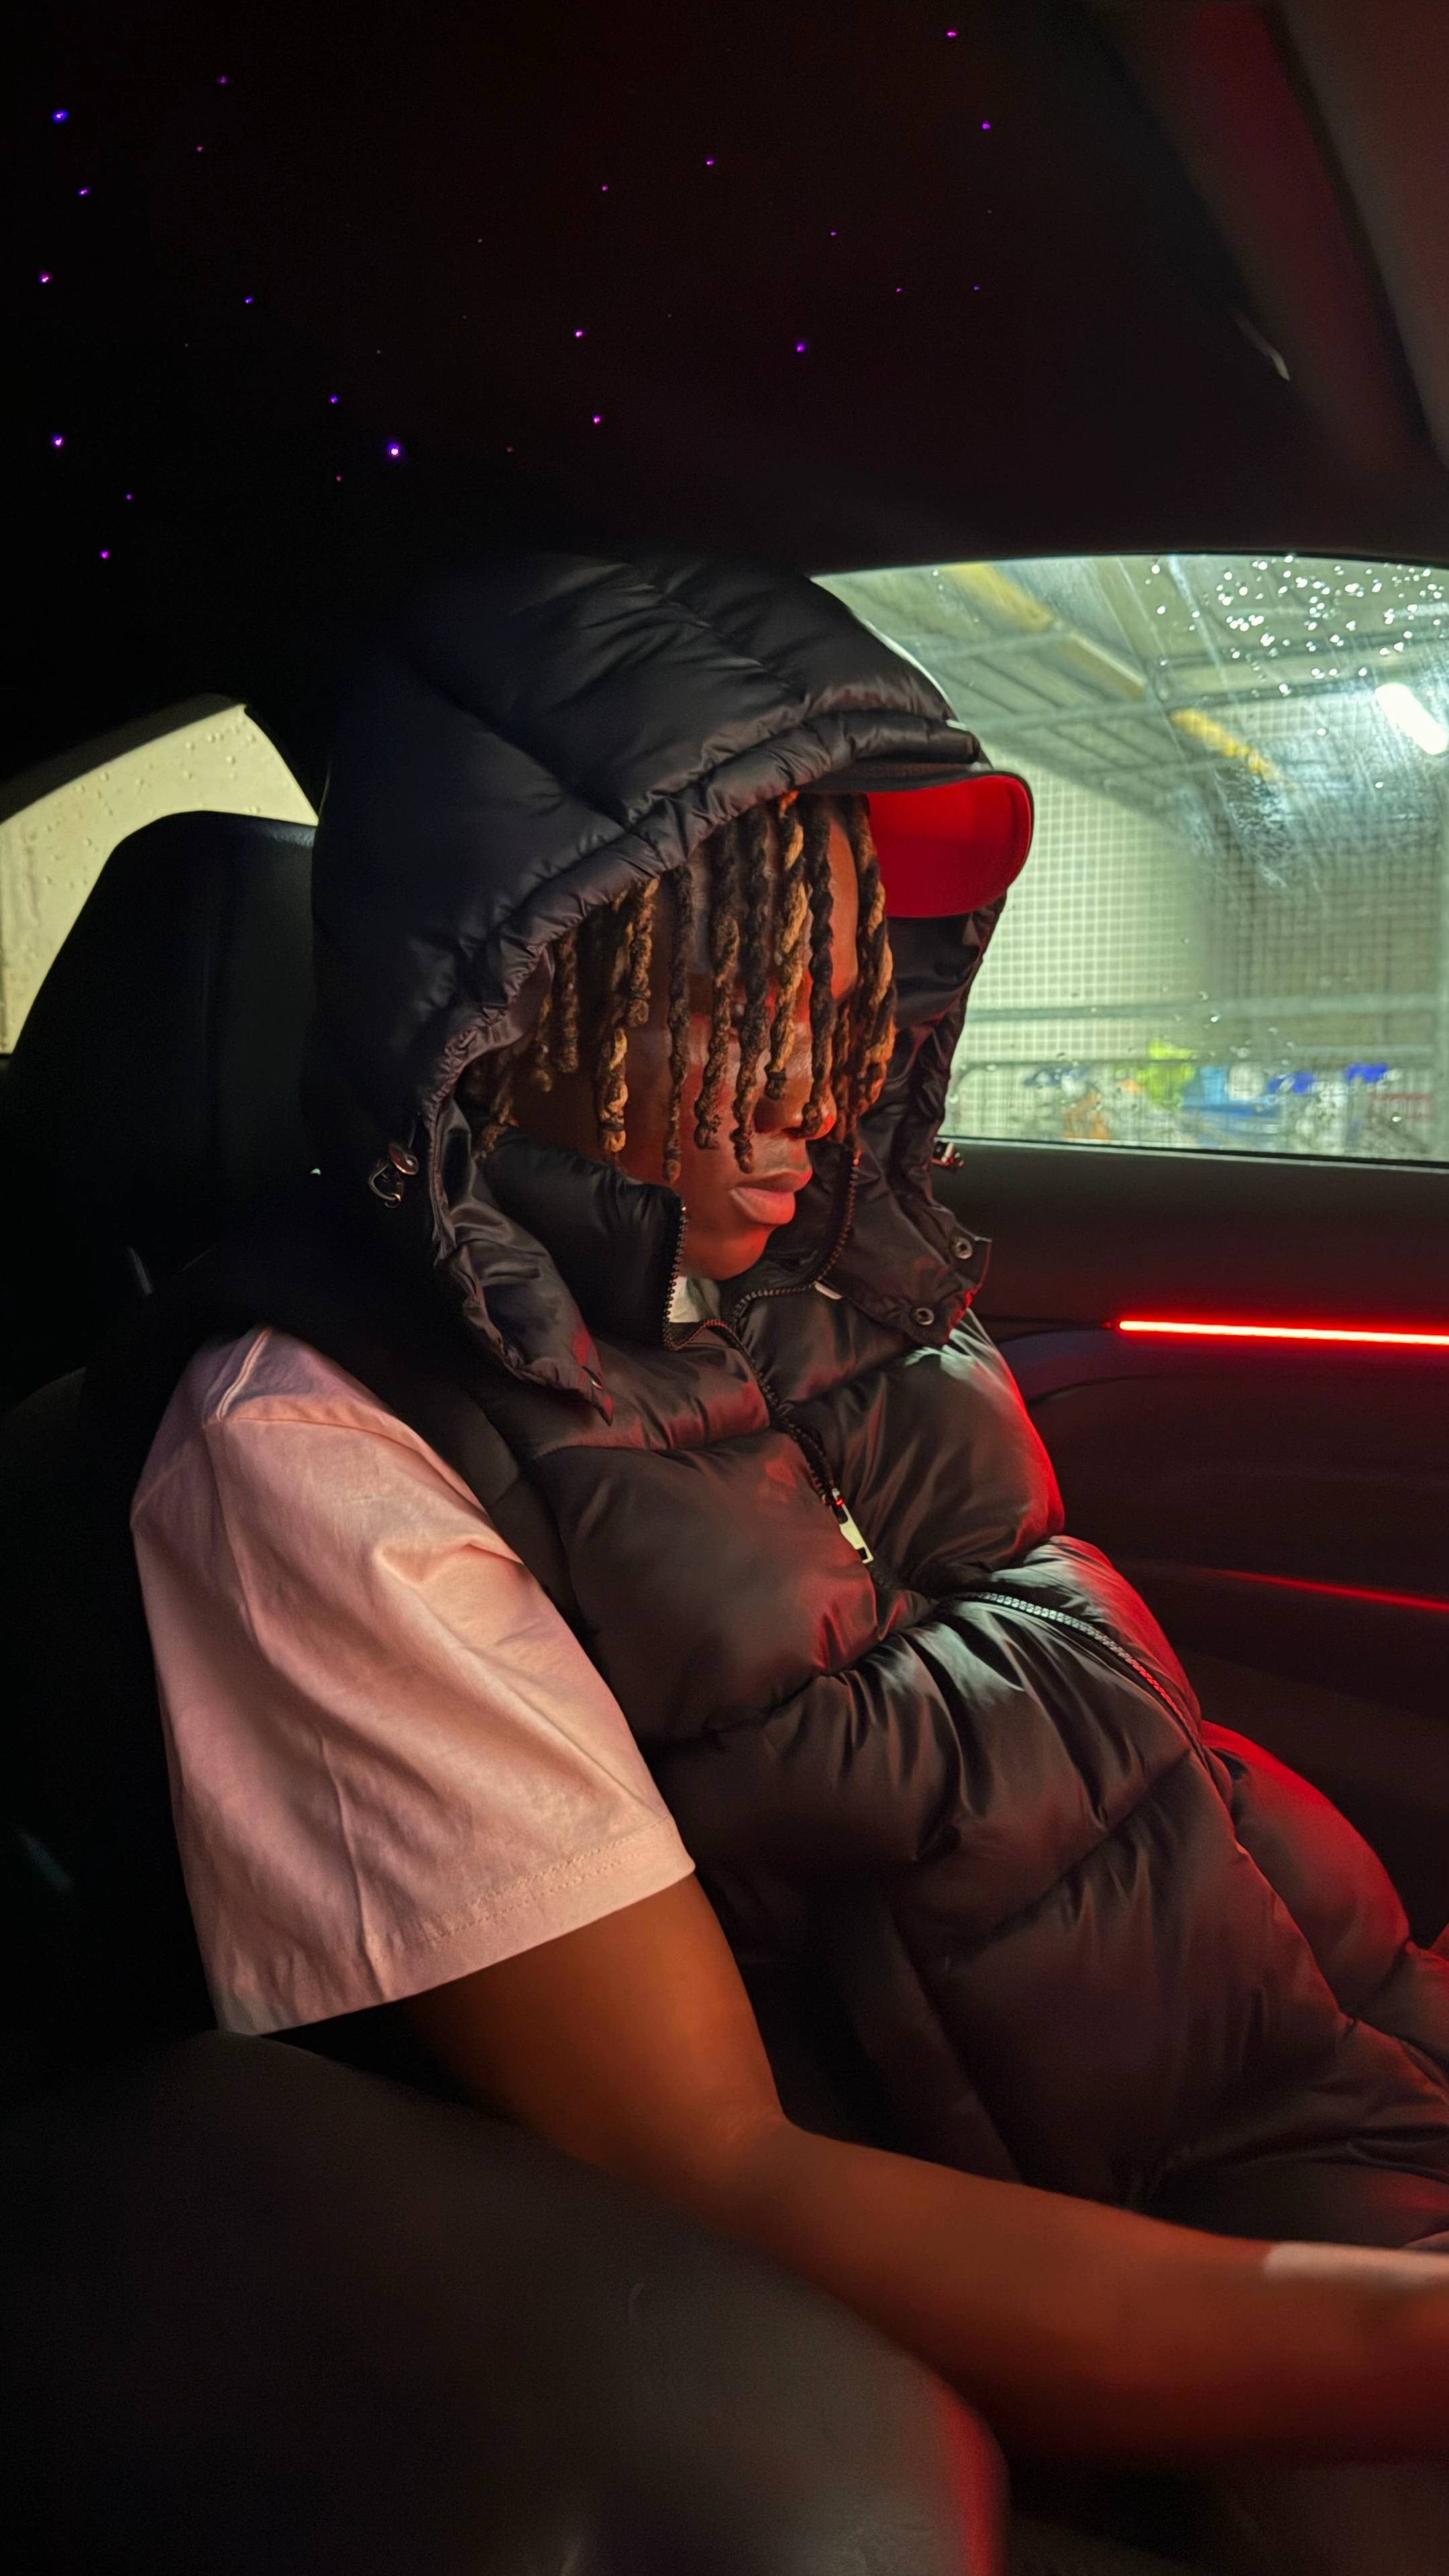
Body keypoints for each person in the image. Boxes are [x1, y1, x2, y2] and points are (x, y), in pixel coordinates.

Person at [129, 555, 1449, 2567]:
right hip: (1155, 2304)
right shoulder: (317, 1458)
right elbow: (716, 2173)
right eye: (726, 1010)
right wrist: (1399, 2338)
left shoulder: (840, 1281)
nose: (816, 1104)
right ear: (525, 992)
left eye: (840, 1014)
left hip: (1343, 2074)